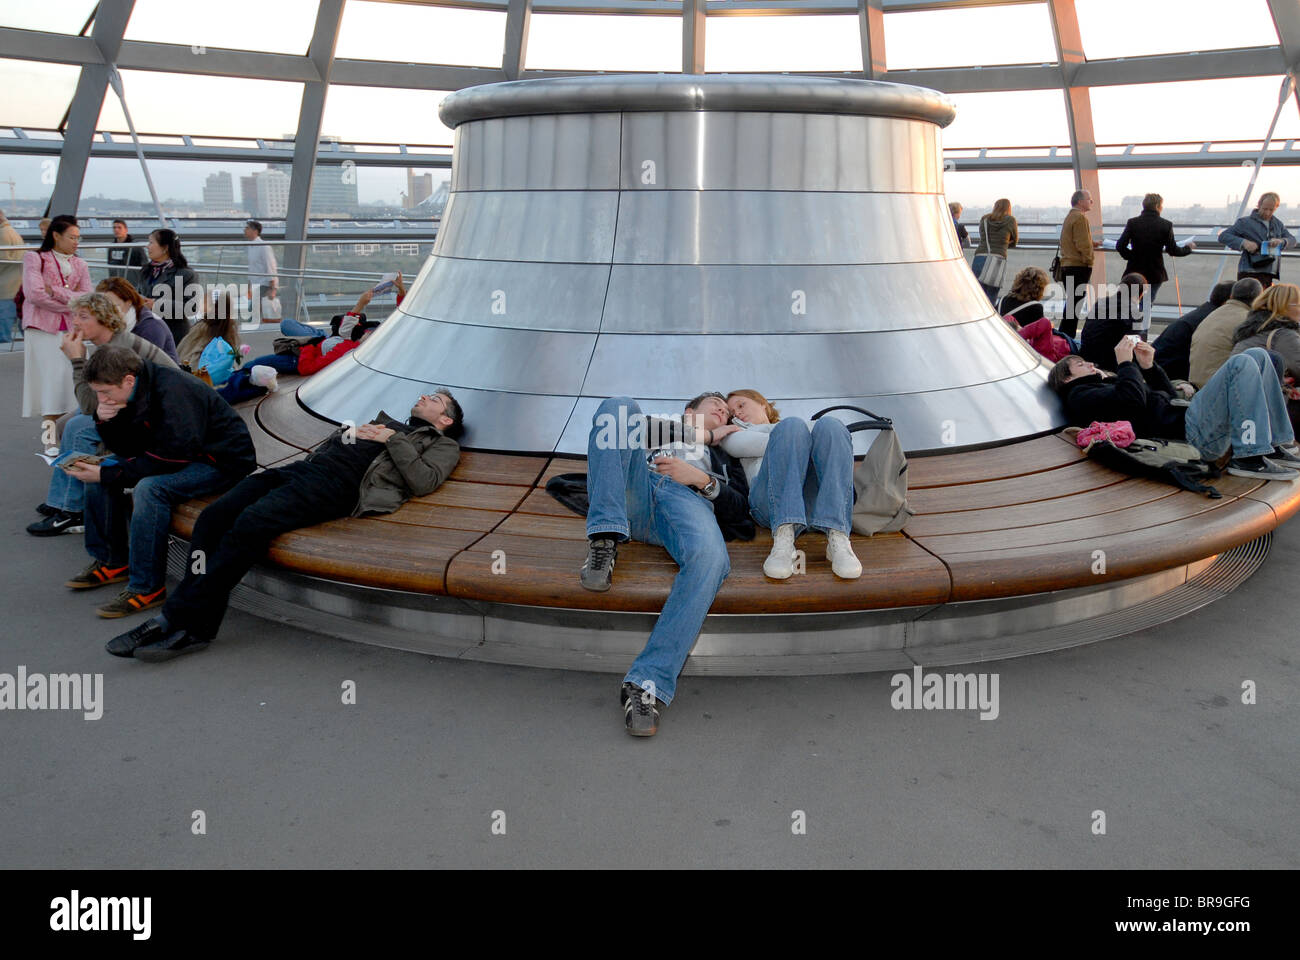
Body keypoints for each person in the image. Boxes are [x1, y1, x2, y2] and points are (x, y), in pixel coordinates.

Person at [105, 390, 464, 662]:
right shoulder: (386, 423)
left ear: (445, 419)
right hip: (305, 470)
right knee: (214, 518)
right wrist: (352, 434)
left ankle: (173, 619)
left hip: (336, 489)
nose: (422, 398)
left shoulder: (442, 445)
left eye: (433, 399)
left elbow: (423, 480)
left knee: (250, 525)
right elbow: (335, 446)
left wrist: (393, 439)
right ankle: (198, 626)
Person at [580, 392, 754, 737]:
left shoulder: (723, 455)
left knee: (711, 559)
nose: (723, 409)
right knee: (618, 406)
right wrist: (701, 435)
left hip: (686, 503)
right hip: (636, 489)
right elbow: (619, 426)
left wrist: (701, 479)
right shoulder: (663, 430)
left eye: (727, 410)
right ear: (690, 411)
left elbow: (741, 510)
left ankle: (647, 684)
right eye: (714, 404)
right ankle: (604, 539)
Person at [65, 347, 256, 619]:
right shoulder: (133, 388)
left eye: (105, 392)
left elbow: (173, 457)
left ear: (128, 381)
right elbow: (128, 448)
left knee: (149, 489)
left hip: (221, 462)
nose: (100, 399)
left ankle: (147, 587)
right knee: (101, 467)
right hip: (179, 453)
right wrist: (104, 421)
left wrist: (111, 474)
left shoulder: (174, 392)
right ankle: (112, 561)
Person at [27, 293, 178, 538]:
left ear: (105, 320)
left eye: (83, 317)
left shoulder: (116, 350)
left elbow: (89, 405)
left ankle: (72, 510)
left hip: (158, 415)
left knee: (78, 426)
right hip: (139, 406)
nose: (75, 322)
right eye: (74, 315)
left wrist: (77, 360)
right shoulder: (110, 344)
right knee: (66, 422)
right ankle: (61, 498)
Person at [1049, 337, 1300, 480]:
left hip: (1189, 418)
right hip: (1192, 434)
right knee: (1241, 363)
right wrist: (1125, 364)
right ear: (1067, 379)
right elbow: (1131, 403)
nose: (1090, 364)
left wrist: (1148, 367)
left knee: (1259, 354)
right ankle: (1249, 458)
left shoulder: (1105, 384)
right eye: (1081, 364)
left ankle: (1275, 444)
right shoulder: (1080, 396)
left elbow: (1166, 398)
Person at [719, 389, 861, 580]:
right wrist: (794, 436)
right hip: (770, 506)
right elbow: (744, 445)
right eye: (732, 413)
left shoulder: (795, 430)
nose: (737, 413)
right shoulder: (734, 434)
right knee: (791, 427)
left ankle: (839, 536)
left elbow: (831, 438)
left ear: (763, 404)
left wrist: (795, 437)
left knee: (831, 425)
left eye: (741, 405)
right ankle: (783, 539)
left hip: (814, 505)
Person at [21, 214, 91, 422]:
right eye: (72, 237)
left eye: (78, 238)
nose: (76, 242)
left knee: (74, 385)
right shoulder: (35, 258)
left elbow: (87, 296)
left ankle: (68, 436)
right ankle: (50, 441)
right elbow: (34, 294)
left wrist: (56, 293)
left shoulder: (80, 264)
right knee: (50, 388)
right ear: (56, 236)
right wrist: (71, 303)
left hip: (72, 330)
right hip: (42, 331)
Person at [1116, 193, 1195, 322]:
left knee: (1128, 304)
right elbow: (1173, 250)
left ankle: (1126, 331)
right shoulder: (1165, 225)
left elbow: (1120, 246)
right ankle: (1141, 334)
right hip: (1154, 272)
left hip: (1134, 270)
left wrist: (1131, 256)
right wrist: (1189, 248)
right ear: (1158, 206)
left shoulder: (1133, 223)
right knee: (1146, 306)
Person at [1189, 278, 1265, 388]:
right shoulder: (1249, 321)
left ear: (1231, 296)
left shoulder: (1212, 315)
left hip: (1197, 386)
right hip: (1221, 389)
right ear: (1258, 299)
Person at [1152, 281, 1234, 382]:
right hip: (1172, 376)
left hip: (1160, 367)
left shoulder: (1202, 313)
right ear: (1228, 300)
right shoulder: (1212, 320)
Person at [134, 227, 199, 344]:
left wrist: (157, 304)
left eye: (151, 242)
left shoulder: (186, 274)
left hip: (173, 335)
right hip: (146, 332)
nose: (147, 246)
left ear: (164, 248)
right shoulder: (146, 271)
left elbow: (191, 308)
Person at [997, 266, 1074, 362]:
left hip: (1001, 343)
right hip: (1023, 349)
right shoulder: (1035, 307)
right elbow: (1040, 335)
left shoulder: (1003, 300)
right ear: (1039, 288)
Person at [1219, 192, 1296, 287]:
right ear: (1259, 205)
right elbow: (1223, 236)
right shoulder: (1245, 222)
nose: (1267, 213)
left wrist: (1282, 241)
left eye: (1271, 210)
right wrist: (1244, 243)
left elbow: (1292, 240)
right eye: (1265, 209)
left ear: (1276, 208)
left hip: (1269, 272)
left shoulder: (1278, 224)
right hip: (1249, 272)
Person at [95, 276, 179, 363]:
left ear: (128, 302)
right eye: (102, 307)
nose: (107, 311)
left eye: (113, 306)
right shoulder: (112, 323)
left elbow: (147, 367)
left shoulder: (151, 325)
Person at [1078, 272, 1148, 371]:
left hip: (1086, 356)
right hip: (1110, 365)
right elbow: (1136, 346)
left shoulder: (1100, 302)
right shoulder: (1134, 313)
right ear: (1141, 294)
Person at [1230, 283, 1300, 380]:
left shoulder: (1250, 331)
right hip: (1260, 393)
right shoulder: (1283, 334)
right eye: (1298, 305)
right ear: (1284, 307)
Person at [1058, 189, 1103, 338]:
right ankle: (1067, 338)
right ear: (1080, 201)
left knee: (1071, 305)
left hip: (1067, 266)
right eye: (1089, 199)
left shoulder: (1070, 216)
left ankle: (1064, 337)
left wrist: (1092, 243)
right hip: (1078, 267)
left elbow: (1074, 239)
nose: (1092, 202)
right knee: (1074, 307)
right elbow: (1082, 244)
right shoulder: (1080, 218)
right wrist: (1090, 262)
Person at [175, 290, 243, 378]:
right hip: (222, 376)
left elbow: (184, 350)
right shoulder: (229, 328)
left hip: (195, 374)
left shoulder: (201, 328)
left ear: (211, 307)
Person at [972, 198, 1018, 303]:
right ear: (1008, 207)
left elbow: (982, 237)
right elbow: (1015, 240)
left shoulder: (984, 219)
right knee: (991, 296)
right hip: (997, 259)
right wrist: (1003, 244)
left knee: (978, 296)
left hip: (979, 257)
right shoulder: (1010, 220)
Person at [244, 220, 278, 324]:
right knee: (255, 310)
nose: (244, 230)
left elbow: (270, 266)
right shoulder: (251, 246)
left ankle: (255, 329)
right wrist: (249, 285)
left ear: (255, 231)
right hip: (255, 283)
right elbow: (252, 267)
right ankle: (257, 328)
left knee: (254, 310)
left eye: (247, 228)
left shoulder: (264, 246)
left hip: (264, 284)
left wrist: (273, 288)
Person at [0, 208, 24, 343]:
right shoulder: (12, 232)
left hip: (5, 289)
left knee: (3, 334)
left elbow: (2, 261)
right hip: (14, 287)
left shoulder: (2, 234)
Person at [106, 219, 145, 284]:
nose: (116, 230)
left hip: (132, 284)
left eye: (119, 227)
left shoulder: (135, 247)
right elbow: (110, 266)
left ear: (126, 230)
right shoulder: (112, 247)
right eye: (114, 228)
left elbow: (144, 264)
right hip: (116, 283)